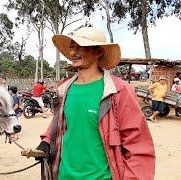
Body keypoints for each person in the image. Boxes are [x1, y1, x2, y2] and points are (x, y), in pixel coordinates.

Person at [36, 27, 155, 179]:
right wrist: (46, 141)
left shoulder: (118, 91)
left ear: (98, 52)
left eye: (80, 46)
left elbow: (138, 146)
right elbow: (61, 123)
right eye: (72, 46)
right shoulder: (65, 89)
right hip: (64, 176)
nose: (73, 52)